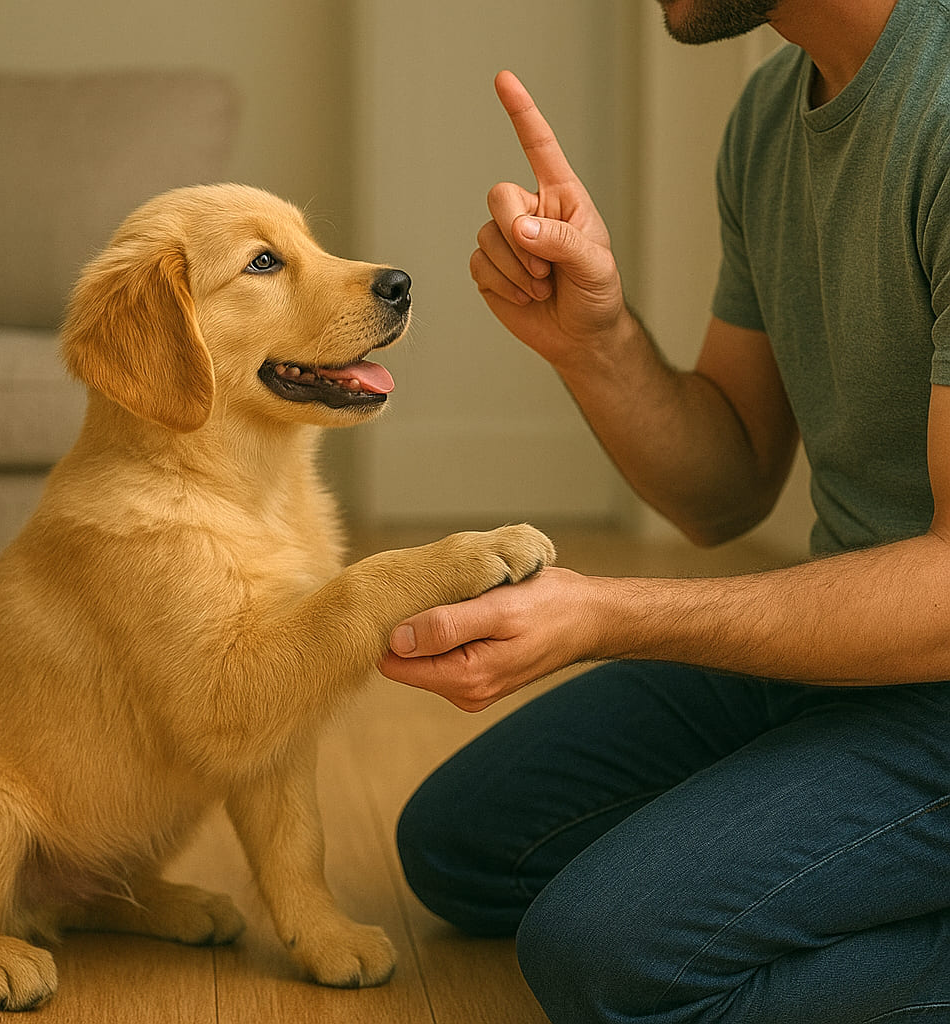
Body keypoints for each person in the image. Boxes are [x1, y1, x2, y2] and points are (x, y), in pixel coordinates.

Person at [378, 1, 950, 1021]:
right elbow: (723, 488)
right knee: (460, 846)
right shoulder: (774, 113)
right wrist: (592, 339)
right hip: (859, 646)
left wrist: (608, 615)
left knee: (610, 962)